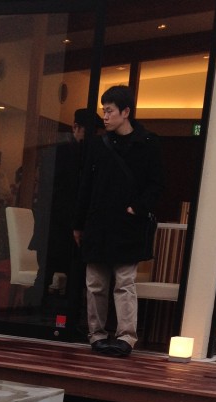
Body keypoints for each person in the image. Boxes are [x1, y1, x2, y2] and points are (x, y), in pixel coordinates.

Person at [73, 85, 164, 357]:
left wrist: (137, 208)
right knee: (96, 284)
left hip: (127, 225)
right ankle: (97, 335)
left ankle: (126, 337)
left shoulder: (148, 143)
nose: (105, 116)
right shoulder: (99, 145)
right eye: (104, 110)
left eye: (110, 110)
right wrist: (78, 223)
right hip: (98, 223)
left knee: (124, 282)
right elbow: (85, 186)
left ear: (125, 112)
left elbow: (157, 184)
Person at [29, 108, 91, 336]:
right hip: (55, 224)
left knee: (63, 273)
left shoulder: (72, 153)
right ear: (76, 128)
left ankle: (55, 317)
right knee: (48, 273)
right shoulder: (60, 153)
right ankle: (39, 318)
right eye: (87, 132)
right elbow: (50, 193)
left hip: (61, 224)